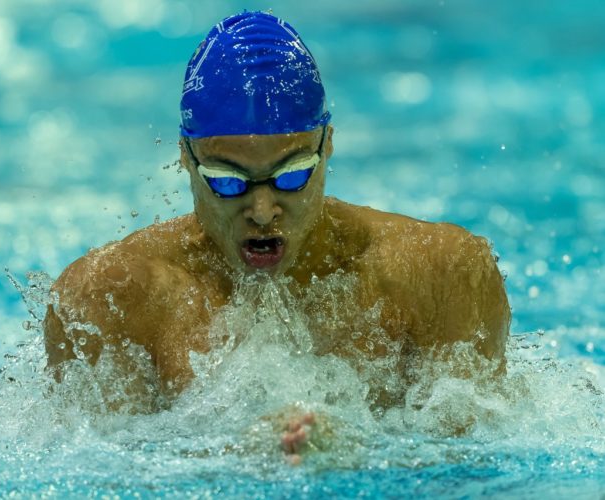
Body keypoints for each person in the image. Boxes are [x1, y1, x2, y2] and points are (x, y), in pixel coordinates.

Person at [43, 11, 510, 460]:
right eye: (228, 182)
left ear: (327, 144)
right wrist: (233, 454)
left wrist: (358, 453)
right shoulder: (109, 297)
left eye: (292, 177)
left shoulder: (441, 272)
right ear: (185, 156)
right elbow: (98, 475)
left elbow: (476, 466)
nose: (263, 213)